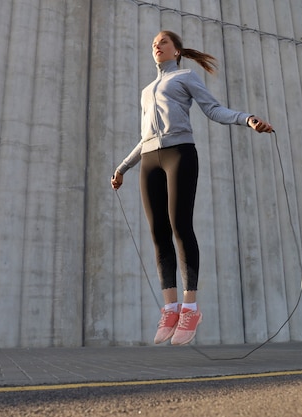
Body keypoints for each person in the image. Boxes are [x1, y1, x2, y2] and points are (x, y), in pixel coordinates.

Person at [111, 30, 272, 346]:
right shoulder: (146, 91)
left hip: (179, 153)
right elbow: (144, 137)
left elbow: (213, 109)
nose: (157, 45)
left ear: (177, 51)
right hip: (148, 159)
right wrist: (121, 167)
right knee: (158, 233)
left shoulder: (185, 76)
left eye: (163, 41)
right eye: (153, 42)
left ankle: (190, 307)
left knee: (179, 225)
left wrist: (246, 118)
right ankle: (170, 308)